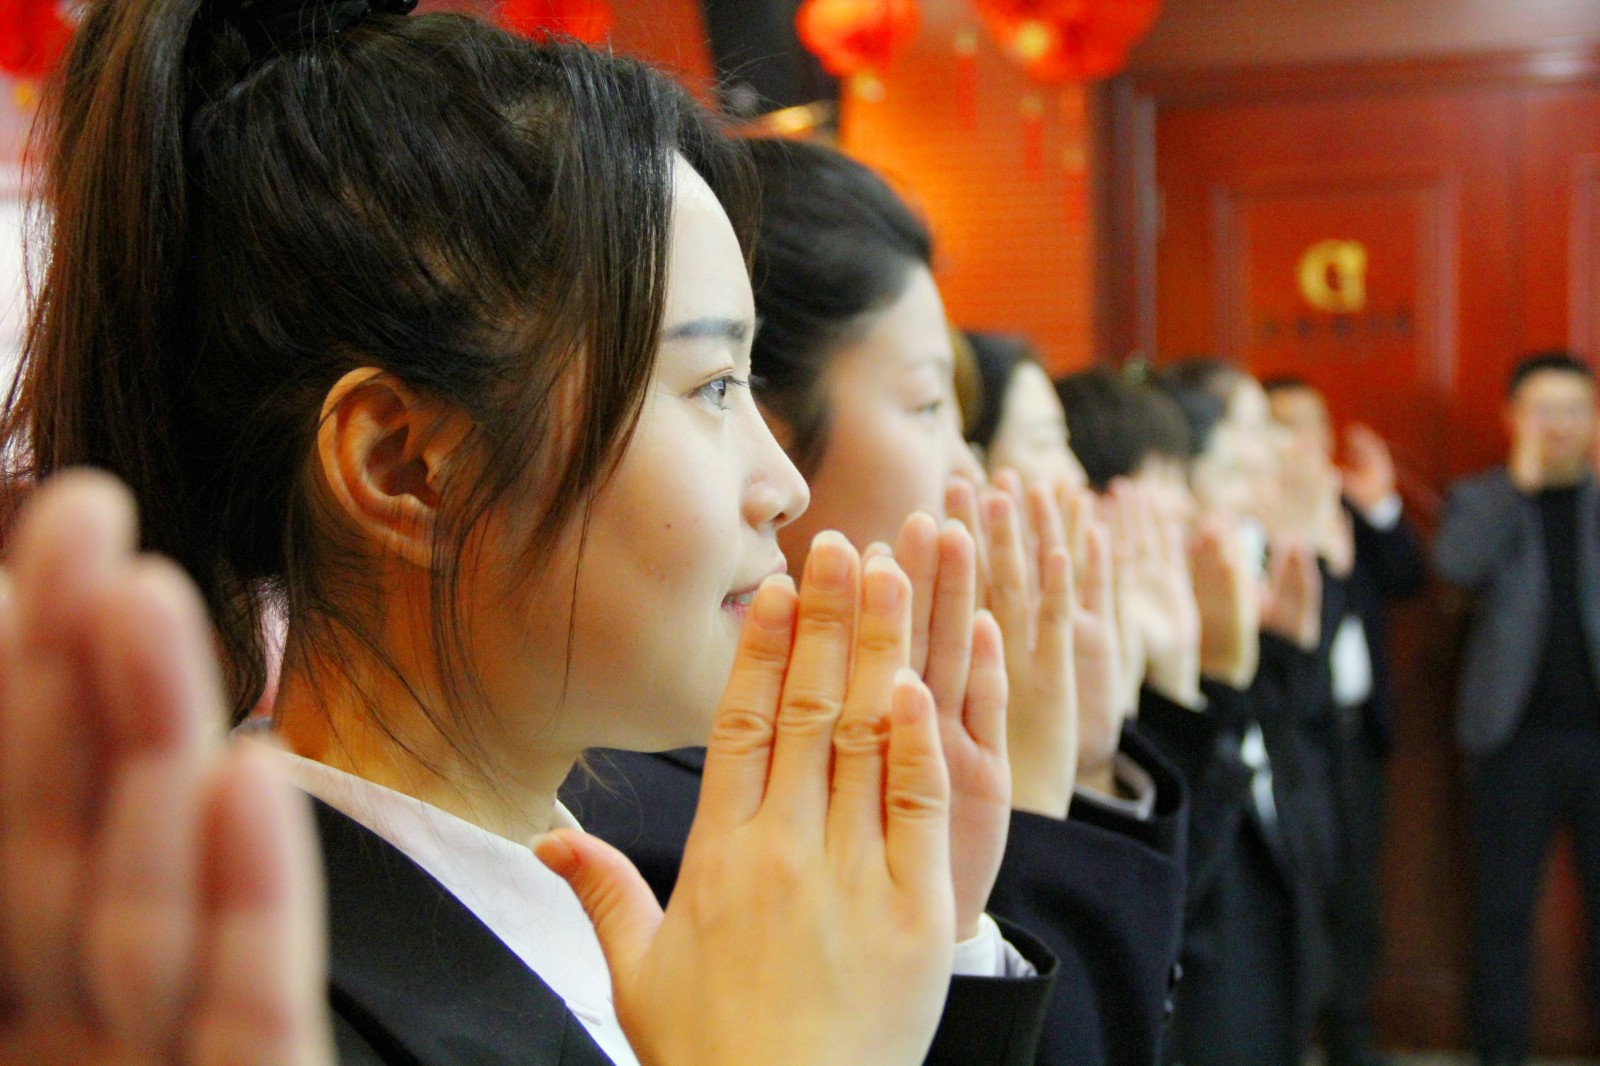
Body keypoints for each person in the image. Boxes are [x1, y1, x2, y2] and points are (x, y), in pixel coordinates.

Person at [0, 3, 1030, 1062]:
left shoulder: (648, 898)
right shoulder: (255, 1011)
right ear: (403, 466)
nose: (783, 488)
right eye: (713, 386)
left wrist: (935, 942)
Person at [566, 139, 1188, 1066]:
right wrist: (1027, 824)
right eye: (928, 408)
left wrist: (1075, 774)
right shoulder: (656, 820)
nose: (968, 469)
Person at [1435, 350, 1600, 1066]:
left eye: (1574, 409)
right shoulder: (1481, 498)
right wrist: (1519, 488)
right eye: (1543, 410)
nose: (1559, 425)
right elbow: (1456, 567)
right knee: (1502, 911)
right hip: (1513, 741)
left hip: (1596, 739)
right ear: (1512, 417)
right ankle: (1499, 1052)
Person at [1266, 378, 1426, 1066]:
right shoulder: (1257, 512)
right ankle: (1292, 1029)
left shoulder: (1350, 503)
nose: (1301, 440)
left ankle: (1352, 1034)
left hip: (1355, 733)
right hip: (1291, 735)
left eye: (1311, 423)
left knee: (1358, 892)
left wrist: (1381, 504)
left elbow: (1409, 578)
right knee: (1300, 889)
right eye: (1282, 425)